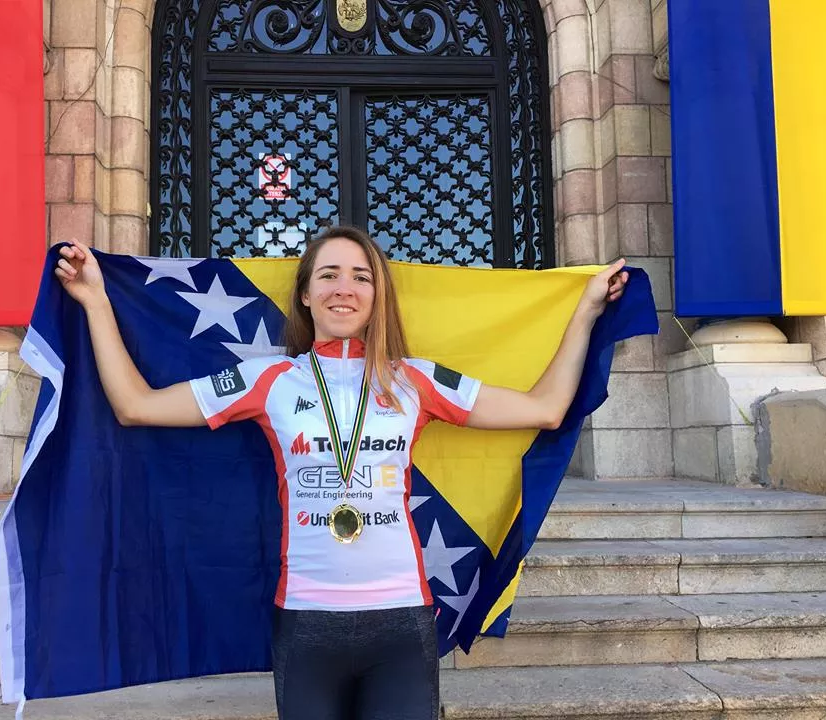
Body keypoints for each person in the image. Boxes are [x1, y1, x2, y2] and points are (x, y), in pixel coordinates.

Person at [54, 225, 628, 720]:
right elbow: (136, 405)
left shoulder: (415, 380)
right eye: (328, 275)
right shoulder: (270, 380)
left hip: (402, 624)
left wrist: (585, 312)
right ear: (305, 294)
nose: (344, 288)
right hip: (307, 624)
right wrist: (96, 302)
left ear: (378, 296)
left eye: (360, 277)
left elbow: (545, 409)